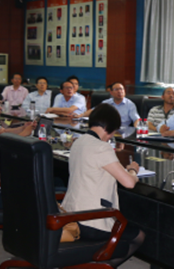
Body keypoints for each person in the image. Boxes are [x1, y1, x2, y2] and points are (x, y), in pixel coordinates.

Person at [61, 104, 144, 266]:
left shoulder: (79, 141)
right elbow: (128, 183)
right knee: (139, 236)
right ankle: (104, 267)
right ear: (109, 128)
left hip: (71, 214)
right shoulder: (101, 147)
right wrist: (133, 171)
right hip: (92, 221)